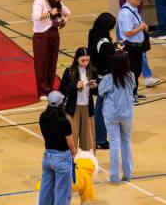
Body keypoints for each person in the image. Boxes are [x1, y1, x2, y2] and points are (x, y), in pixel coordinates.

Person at [36, 91, 78, 205]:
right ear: (61, 104)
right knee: (61, 195)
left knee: (45, 192)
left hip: (47, 157)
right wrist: (74, 154)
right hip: (62, 159)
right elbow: (71, 143)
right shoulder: (64, 122)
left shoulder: (42, 117)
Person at [119, 0, 161, 85]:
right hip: (129, 27)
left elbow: (137, 12)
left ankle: (145, 78)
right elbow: (127, 18)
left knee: (141, 53)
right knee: (132, 57)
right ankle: (132, 81)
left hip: (137, 25)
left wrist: (143, 23)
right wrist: (140, 26)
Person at [99, 52, 137, 184]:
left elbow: (100, 91)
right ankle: (128, 174)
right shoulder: (131, 76)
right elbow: (133, 88)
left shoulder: (109, 78)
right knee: (126, 141)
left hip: (112, 114)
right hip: (127, 114)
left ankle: (114, 176)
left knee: (114, 143)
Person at [32, 0, 70, 100]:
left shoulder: (57, 2)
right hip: (42, 35)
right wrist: (49, 13)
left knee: (52, 62)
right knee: (42, 63)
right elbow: (36, 16)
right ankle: (42, 91)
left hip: (54, 33)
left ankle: (50, 87)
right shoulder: (40, 0)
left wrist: (66, 18)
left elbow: (67, 11)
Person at [58, 47, 97, 158]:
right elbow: (62, 90)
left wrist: (95, 87)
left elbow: (96, 92)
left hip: (87, 108)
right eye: (83, 60)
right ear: (76, 59)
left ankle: (87, 162)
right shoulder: (69, 72)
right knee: (72, 138)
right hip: (73, 109)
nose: (85, 63)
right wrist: (75, 86)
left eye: (87, 60)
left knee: (88, 140)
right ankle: (69, 163)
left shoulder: (92, 71)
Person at [88, 12, 119, 150]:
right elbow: (111, 60)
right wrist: (118, 51)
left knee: (100, 107)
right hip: (104, 78)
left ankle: (98, 137)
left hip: (96, 75)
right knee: (101, 108)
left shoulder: (93, 34)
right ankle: (100, 139)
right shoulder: (105, 43)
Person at [118, 0, 149, 93]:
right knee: (131, 72)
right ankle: (130, 94)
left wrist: (143, 27)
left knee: (137, 71)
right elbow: (128, 32)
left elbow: (137, 25)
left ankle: (134, 93)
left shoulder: (134, 9)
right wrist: (141, 28)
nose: (140, 0)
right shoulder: (126, 13)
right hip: (130, 46)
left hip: (137, 47)